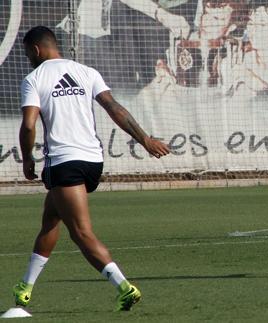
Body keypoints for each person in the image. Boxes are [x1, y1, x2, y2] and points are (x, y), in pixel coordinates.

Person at [14, 26, 170, 311]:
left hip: (65, 162)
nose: (28, 59)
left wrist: (27, 159)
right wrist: (144, 139)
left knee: (81, 233)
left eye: (27, 54)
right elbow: (114, 107)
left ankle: (124, 287)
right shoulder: (87, 71)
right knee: (51, 218)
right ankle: (25, 287)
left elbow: (28, 125)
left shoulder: (34, 79)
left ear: (35, 50)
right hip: (93, 162)